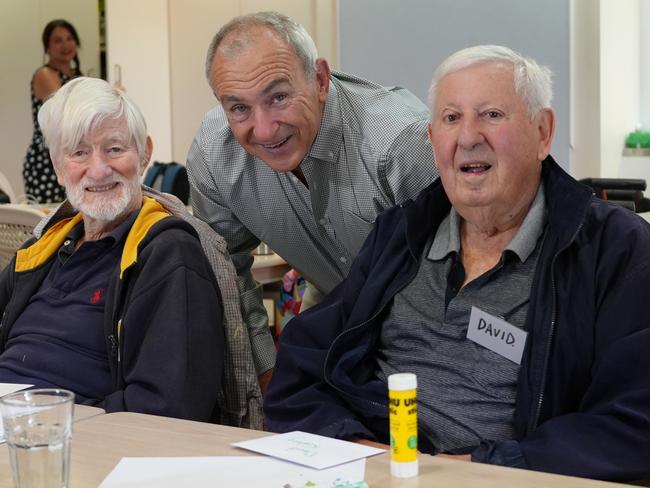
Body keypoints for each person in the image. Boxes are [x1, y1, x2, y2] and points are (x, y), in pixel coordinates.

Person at [264, 45, 650, 481]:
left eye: (491, 115)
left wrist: (483, 467)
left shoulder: (614, 248)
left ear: (543, 132)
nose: (468, 137)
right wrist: (354, 447)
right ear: (432, 141)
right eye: (451, 118)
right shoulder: (401, 234)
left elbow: (636, 422)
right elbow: (303, 367)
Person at [187, 11, 439, 389]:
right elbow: (226, 274)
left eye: (279, 97)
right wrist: (268, 373)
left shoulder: (400, 143)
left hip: (432, 332)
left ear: (320, 79)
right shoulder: (214, 153)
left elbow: (473, 274)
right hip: (333, 318)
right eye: (239, 108)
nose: (265, 129)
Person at [0, 77, 224, 421]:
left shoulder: (168, 253)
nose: (99, 169)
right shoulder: (44, 247)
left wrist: (50, 421)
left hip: (73, 442)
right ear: (59, 167)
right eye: (79, 152)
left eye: (115, 148)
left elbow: (167, 408)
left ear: (145, 152)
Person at [24, 19, 82, 204]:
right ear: (47, 47)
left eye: (69, 38)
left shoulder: (79, 76)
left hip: (76, 156)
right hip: (47, 161)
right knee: (50, 225)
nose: (65, 45)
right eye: (58, 40)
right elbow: (67, 111)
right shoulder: (45, 74)